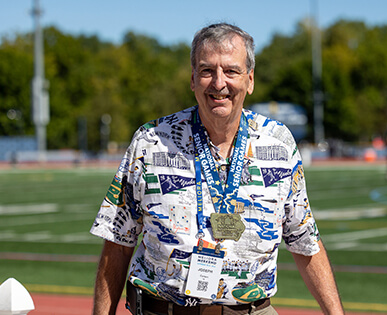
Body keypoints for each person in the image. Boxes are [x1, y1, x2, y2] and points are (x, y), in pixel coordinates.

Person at [90, 23, 344, 315]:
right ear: (193, 79)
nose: (219, 83)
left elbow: (305, 241)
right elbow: (118, 244)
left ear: (250, 80)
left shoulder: (279, 144)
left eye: (231, 71)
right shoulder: (150, 141)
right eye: (207, 70)